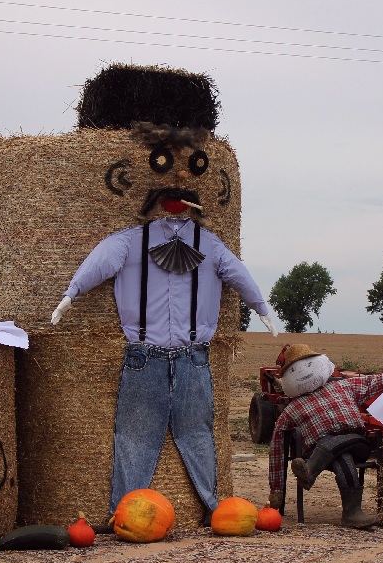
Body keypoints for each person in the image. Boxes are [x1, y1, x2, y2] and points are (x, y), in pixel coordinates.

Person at [52, 123, 276, 521]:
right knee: (135, 437)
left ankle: (213, 509)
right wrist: (72, 294)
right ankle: (124, 514)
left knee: (198, 433)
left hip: (194, 357)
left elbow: (237, 274)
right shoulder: (129, 242)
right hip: (144, 356)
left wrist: (261, 306)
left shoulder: (209, 245)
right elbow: (98, 263)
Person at [267, 343, 383, 528]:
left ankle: (310, 471)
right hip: (320, 450)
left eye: (308, 365)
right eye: (294, 370)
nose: (304, 372)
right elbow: (277, 446)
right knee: (342, 457)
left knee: (344, 447)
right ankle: (352, 513)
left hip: (356, 443)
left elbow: (376, 381)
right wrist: (276, 490)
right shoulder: (291, 409)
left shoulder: (343, 386)